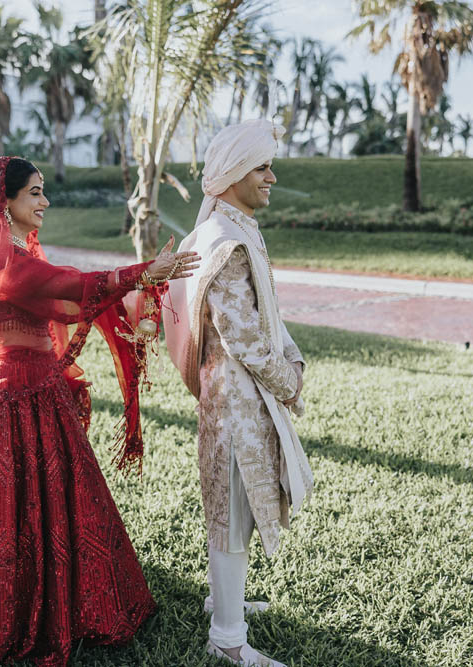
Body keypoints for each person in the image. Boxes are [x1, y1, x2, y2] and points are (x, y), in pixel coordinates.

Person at [0, 156, 200, 667]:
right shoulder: (6, 265)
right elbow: (70, 285)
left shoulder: (18, 253)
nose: (45, 202)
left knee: (57, 502)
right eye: (34, 193)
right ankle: (9, 617)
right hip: (12, 396)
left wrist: (138, 281)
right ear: (6, 202)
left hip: (38, 390)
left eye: (44, 191)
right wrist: (140, 272)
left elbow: (67, 285)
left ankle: (66, 604)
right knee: (1, 515)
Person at [163, 120, 315, 667]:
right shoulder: (225, 242)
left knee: (237, 510)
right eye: (262, 167)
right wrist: (289, 379)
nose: (271, 176)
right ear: (231, 175)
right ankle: (227, 638)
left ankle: (223, 603)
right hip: (235, 405)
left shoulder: (231, 228)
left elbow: (266, 319)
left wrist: (290, 356)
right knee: (231, 511)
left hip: (237, 400)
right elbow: (245, 338)